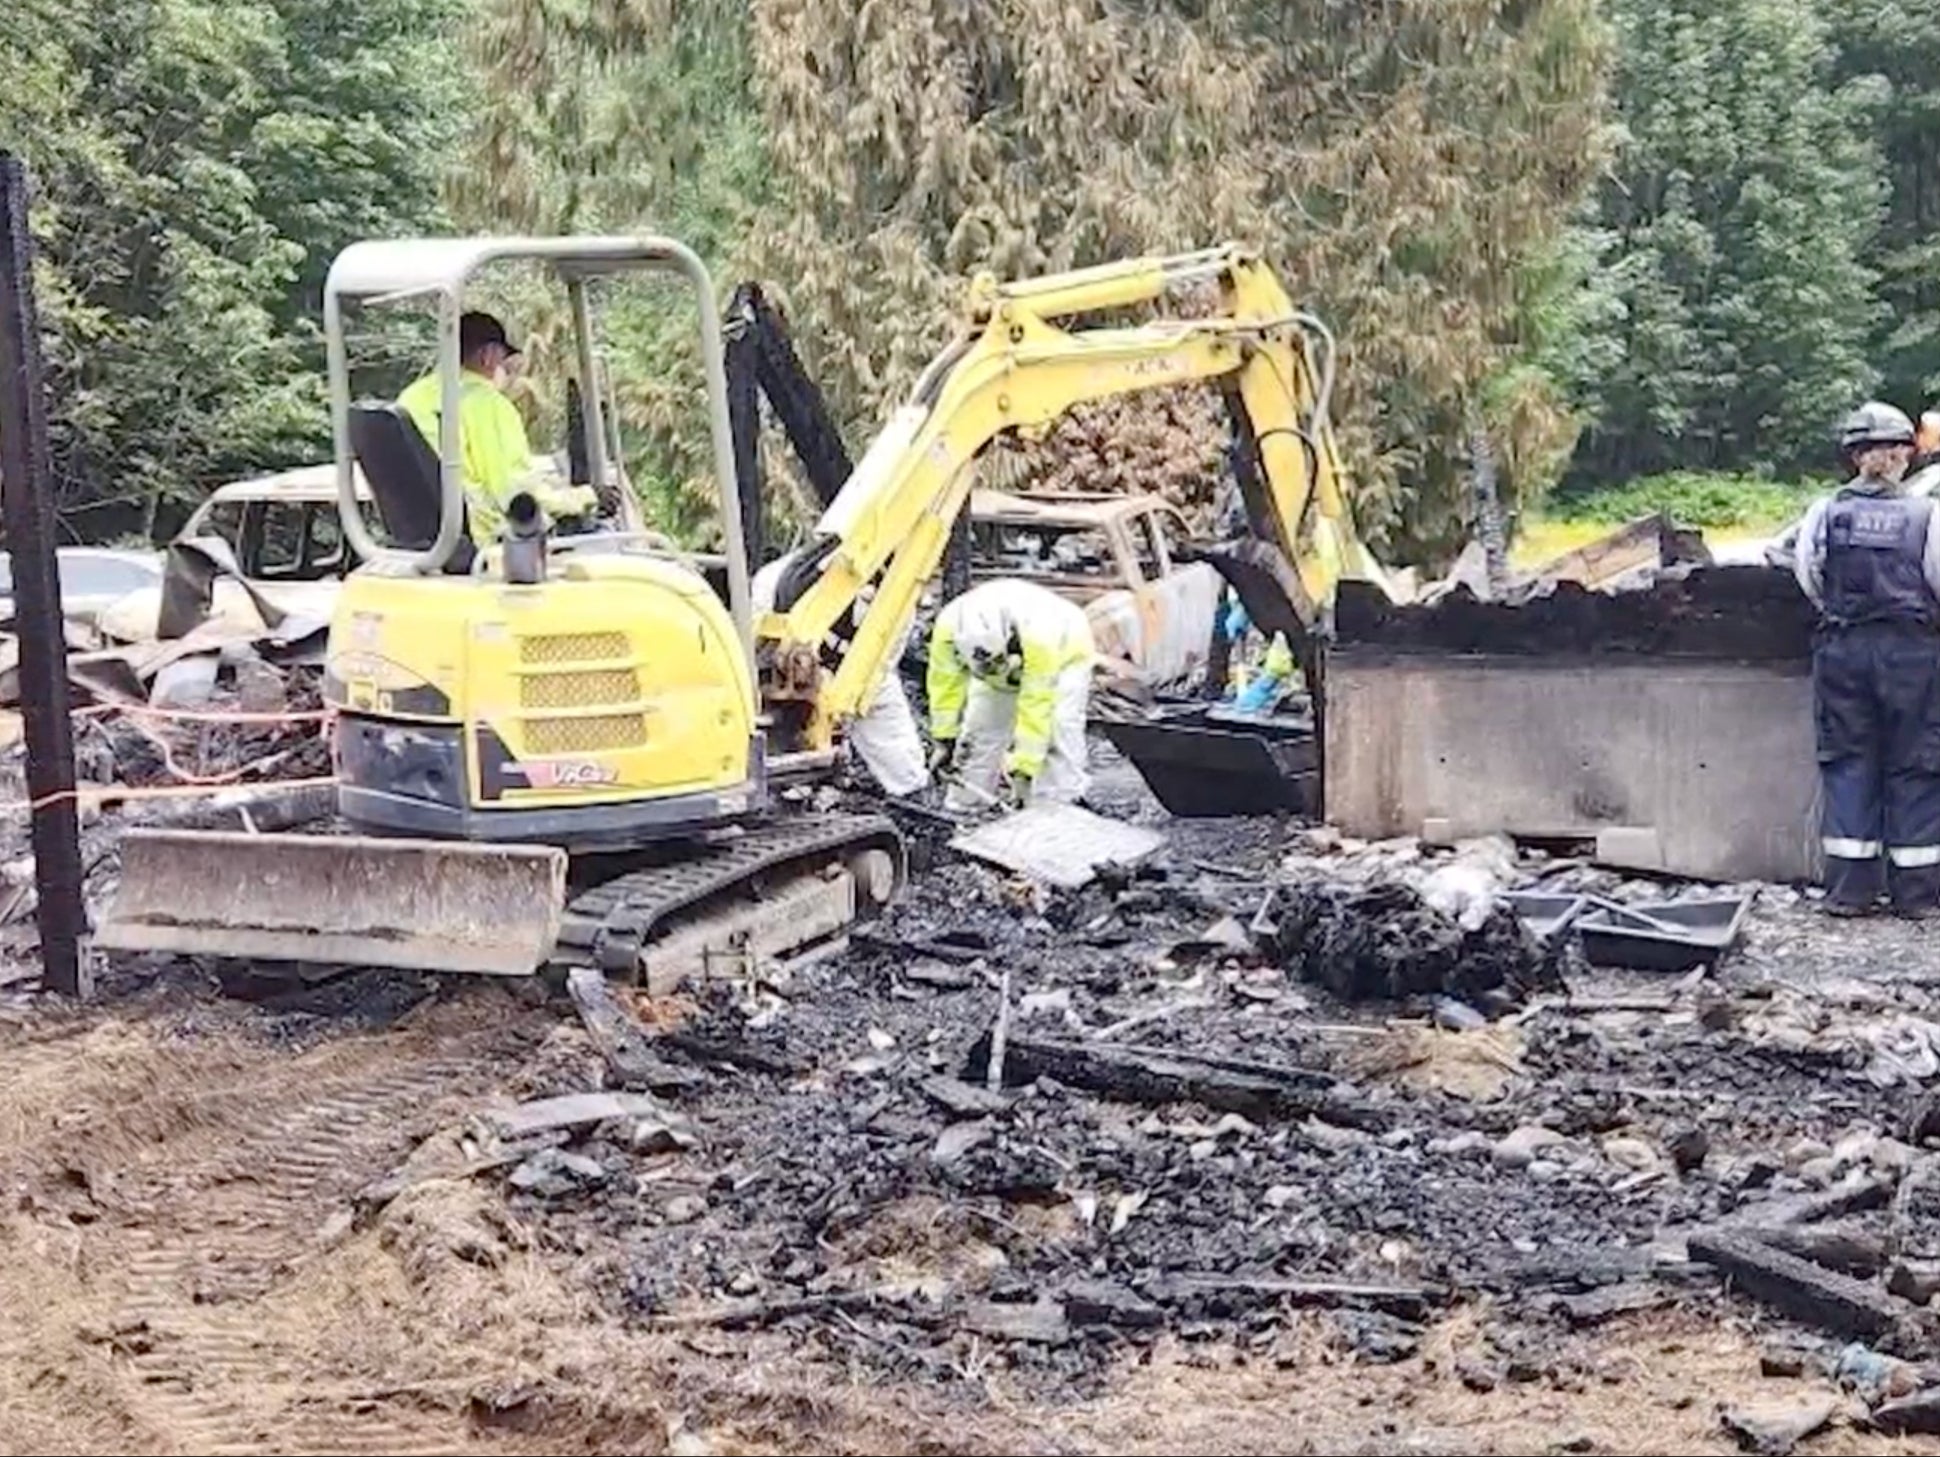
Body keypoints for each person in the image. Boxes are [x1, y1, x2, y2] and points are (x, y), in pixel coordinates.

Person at [1794, 400, 1940, 917]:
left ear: (1853, 455)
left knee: (1850, 763)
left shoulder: (1824, 511)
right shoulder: (1929, 515)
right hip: (1912, 656)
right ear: (1904, 454)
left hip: (1844, 650)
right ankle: (1916, 894)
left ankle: (1850, 891)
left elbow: (1809, 578)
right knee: (1916, 766)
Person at [397, 311, 597, 545]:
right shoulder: (487, 404)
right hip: (478, 541)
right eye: (503, 361)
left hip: (418, 539)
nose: (504, 370)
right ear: (488, 355)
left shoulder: (410, 397)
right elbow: (517, 493)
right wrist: (585, 497)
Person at [752, 550, 930, 797]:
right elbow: (762, 642)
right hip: (790, 667)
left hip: (862, 671)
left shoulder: (898, 601)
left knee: (900, 758)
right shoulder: (781, 580)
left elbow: (885, 663)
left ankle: (912, 793)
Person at [926, 578, 1094, 812]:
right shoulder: (947, 627)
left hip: (1065, 654)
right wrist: (944, 739)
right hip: (1005, 667)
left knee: (1058, 729)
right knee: (978, 734)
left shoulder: (1040, 635)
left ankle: (1059, 806)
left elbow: (1036, 704)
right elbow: (944, 684)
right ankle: (964, 807)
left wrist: (1024, 771)